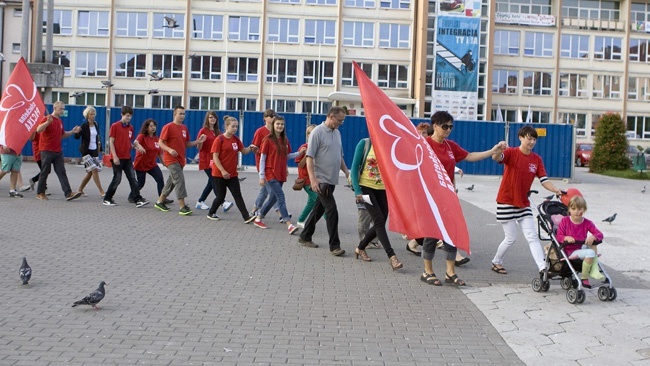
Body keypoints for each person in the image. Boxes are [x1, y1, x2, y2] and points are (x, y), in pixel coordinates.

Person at [418, 111, 506, 286]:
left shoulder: (450, 146)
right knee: (432, 235)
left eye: (451, 126)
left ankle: (450, 273)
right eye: (445, 126)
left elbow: (470, 156)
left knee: (451, 234)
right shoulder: (424, 145)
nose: (449, 130)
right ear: (435, 126)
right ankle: (427, 271)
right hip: (430, 198)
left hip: (448, 197)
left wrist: (493, 151)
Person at [491, 125, 563, 275]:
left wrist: (556, 189)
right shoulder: (511, 152)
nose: (531, 142)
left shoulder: (536, 159)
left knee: (532, 236)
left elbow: (544, 180)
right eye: (529, 138)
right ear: (521, 138)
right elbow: (496, 158)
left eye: (534, 139)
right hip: (506, 201)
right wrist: (498, 149)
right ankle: (497, 261)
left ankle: (543, 268)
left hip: (524, 203)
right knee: (511, 238)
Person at [297, 106, 350, 255]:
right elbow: (309, 157)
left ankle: (305, 236)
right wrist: (313, 180)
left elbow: (339, 156)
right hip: (322, 181)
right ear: (331, 116)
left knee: (318, 210)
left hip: (332, 180)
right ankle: (335, 246)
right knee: (332, 210)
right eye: (339, 120)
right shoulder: (317, 133)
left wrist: (346, 172)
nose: (341, 123)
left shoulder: (337, 133)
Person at [350, 137, 403, 270]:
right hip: (366, 188)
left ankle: (360, 247)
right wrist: (357, 191)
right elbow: (355, 167)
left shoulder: (390, 145)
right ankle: (392, 256)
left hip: (383, 189)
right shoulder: (365, 143)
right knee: (378, 219)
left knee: (381, 221)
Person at [254, 115, 304, 234]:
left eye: (282, 124)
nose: (280, 126)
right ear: (273, 125)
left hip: (280, 174)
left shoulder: (284, 140)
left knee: (272, 199)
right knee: (280, 197)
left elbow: (286, 156)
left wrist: (299, 153)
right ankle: (289, 224)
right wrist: (262, 176)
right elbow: (262, 159)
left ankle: (258, 218)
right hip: (270, 173)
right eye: (277, 124)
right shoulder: (267, 140)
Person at [154, 106, 206, 216]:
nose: (182, 116)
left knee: (172, 181)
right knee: (180, 180)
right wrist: (169, 149)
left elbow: (186, 143)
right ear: (175, 114)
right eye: (180, 114)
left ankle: (160, 201)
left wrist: (198, 141)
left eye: (183, 114)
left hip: (180, 159)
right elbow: (160, 142)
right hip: (171, 159)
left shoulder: (184, 128)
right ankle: (182, 207)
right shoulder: (168, 127)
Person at [206, 115, 257, 223]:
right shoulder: (219, 139)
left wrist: (251, 148)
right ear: (226, 126)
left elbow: (244, 151)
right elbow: (215, 157)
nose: (235, 129)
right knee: (220, 196)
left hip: (232, 174)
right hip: (219, 174)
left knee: (237, 195)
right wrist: (223, 171)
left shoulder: (236, 139)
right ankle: (211, 212)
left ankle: (246, 217)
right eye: (233, 126)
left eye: (236, 127)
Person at [34, 101, 82, 201]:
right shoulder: (47, 118)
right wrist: (47, 122)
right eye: (61, 109)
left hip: (57, 151)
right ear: (55, 108)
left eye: (63, 109)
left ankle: (68, 193)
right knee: (45, 172)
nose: (62, 111)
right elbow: (38, 130)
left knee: (62, 172)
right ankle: (40, 193)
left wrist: (72, 132)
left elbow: (62, 135)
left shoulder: (59, 121)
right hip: (46, 150)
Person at [102, 106, 149, 207]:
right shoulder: (115, 126)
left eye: (130, 116)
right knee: (117, 179)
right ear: (122, 115)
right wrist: (114, 156)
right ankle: (107, 198)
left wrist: (135, 147)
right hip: (118, 158)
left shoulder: (130, 128)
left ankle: (137, 198)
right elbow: (111, 142)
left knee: (132, 178)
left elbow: (128, 141)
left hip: (127, 157)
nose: (129, 118)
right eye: (127, 116)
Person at [555, 195, 605, 288]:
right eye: (573, 209)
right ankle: (584, 277)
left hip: (582, 248)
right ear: (569, 209)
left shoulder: (587, 222)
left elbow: (600, 234)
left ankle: (594, 269)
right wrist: (566, 238)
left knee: (594, 243)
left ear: (584, 210)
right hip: (570, 251)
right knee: (590, 252)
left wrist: (593, 236)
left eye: (579, 209)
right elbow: (559, 236)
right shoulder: (565, 221)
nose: (577, 212)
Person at [249, 109, 285, 221]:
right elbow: (254, 147)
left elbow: (283, 154)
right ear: (265, 118)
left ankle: (254, 210)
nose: (272, 117)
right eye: (270, 116)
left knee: (264, 191)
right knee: (274, 192)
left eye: (274, 115)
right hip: (264, 166)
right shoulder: (260, 132)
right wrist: (256, 149)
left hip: (275, 166)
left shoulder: (277, 133)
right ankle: (281, 213)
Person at [195, 111, 234, 212]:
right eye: (210, 117)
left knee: (211, 183)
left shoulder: (218, 132)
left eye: (214, 117)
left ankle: (200, 201)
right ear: (207, 119)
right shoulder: (203, 130)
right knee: (214, 181)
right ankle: (223, 202)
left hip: (215, 161)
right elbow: (199, 147)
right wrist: (201, 141)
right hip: (206, 160)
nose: (212, 119)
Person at [132, 119, 171, 205]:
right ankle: (132, 195)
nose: (153, 128)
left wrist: (165, 164)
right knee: (141, 183)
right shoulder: (142, 136)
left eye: (154, 126)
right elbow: (135, 142)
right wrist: (140, 147)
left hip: (152, 164)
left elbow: (159, 153)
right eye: (151, 126)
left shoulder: (156, 139)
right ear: (146, 128)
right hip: (141, 164)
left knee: (160, 179)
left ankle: (162, 198)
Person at [74, 106, 105, 198]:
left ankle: (80, 189)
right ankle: (101, 191)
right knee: (94, 170)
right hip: (86, 152)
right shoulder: (84, 126)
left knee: (90, 172)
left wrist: (101, 149)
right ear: (87, 115)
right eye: (91, 114)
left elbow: (97, 138)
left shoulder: (96, 124)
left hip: (94, 151)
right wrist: (76, 131)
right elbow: (77, 137)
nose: (93, 116)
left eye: (94, 114)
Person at [295, 124, 318, 229]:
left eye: (315, 133)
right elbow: (300, 164)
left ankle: (300, 220)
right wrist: (306, 154)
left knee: (311, 203)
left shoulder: (319, 147)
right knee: (320, 201)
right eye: (310, 133)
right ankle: (330, 222)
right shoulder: (304, 147)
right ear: (307, 135)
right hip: (306, 181)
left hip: (317, 179)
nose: (312, 135)